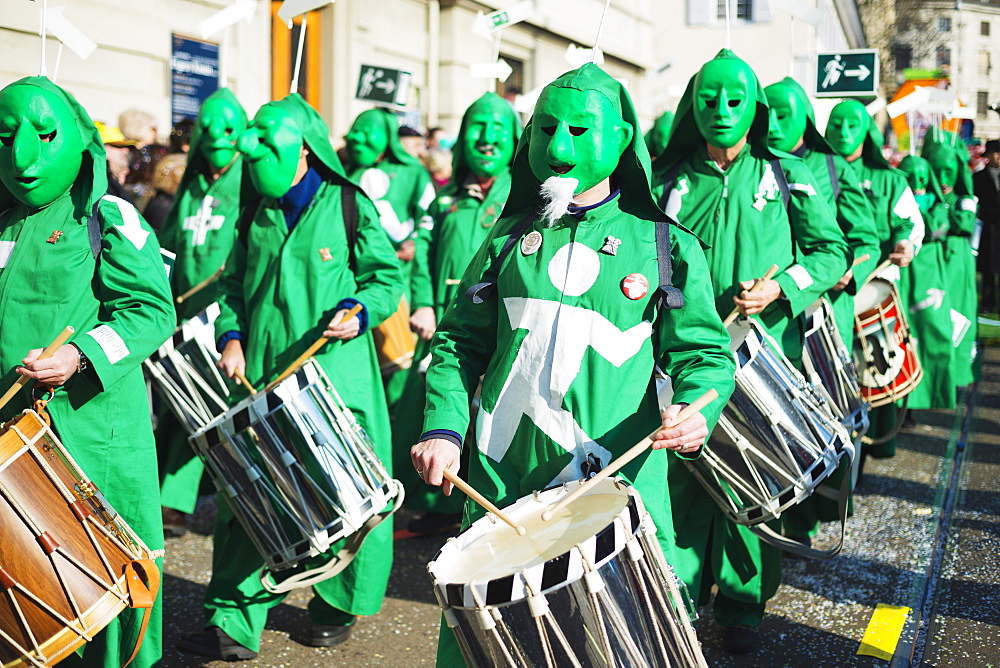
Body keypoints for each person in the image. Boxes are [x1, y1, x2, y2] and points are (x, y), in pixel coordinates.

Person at [412, 62, 737, 665]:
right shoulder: (505, 236)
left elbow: (703, 355)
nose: (559, 148)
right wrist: (442, 429)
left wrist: (699, 410)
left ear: (620, 140)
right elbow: (459, 342)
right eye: (546, 129)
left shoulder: (665, 245)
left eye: (580, 132)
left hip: (610, 488)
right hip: (501, 485)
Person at [177, 93, 401, 662]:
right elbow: (233, 290)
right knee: (247, 495)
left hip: (336, 379)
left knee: (350, 496)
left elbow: (385, 276)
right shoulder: (255, 209)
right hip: (260, 380)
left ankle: (337, 603)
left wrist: (360, 309)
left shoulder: (348, 204)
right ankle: (233, 618)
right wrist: (232, 338)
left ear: (304, 148)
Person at [652, 50, 850, 654]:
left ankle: (743, 604)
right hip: (682, 357)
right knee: (680, 476)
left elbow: (830, 253)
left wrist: (782, 286)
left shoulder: (789, 174)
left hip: (762, 358)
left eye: (735, 100)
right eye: (708, 99)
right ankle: (680, 594)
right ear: (691, 104)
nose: (720, 111)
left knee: (753, 477)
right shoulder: (665, 178)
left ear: (756, 109)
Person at [0, 76, 175, 668]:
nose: (21, 158)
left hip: (92, 434)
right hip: (14, 435)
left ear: (77, 138)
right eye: (4, 138)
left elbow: (152, 311)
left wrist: (78, 358)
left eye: (45, 136)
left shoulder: (108, 215)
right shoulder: (1, 218)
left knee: (116, 575)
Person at [394, 92, 520, 536]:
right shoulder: (445, 197)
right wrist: (425, 302)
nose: (488, 139)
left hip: (502, 325)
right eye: (478, 128)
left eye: (499, 128)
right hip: (447, 322)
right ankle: (438, 507)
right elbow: (424, 250)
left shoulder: (524, 194)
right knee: (436, 407)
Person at [763, 76, 881, 546]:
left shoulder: (831, 168)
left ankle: (813, 515)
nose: (773, 124)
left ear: (805, 120)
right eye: (767, 113)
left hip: (823, 317)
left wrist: (851, 268)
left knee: (820, 419)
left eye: (785, 115)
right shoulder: (759, 167)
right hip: (770, 321)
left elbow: (864, 238)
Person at [155, 88, 248, 538]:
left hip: (229, 314)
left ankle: (247, 500)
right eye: (207, 127)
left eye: (226, 128)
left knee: (224, 410)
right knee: (181, 407)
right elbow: (170, 246)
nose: (216, 137)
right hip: (186, 312)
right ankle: (171, 501)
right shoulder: (191, 183)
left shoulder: (251, 179)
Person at [825, 99, 923, 460]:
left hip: (872, 288)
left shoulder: (889, 179)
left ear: (867, 131)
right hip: (822, 291)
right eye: (836, 125)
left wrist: (905, 244)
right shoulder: (812, 171)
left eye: (852, 125)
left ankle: (872, 446)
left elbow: (908, 223)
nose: (843, 133)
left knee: (873, 371)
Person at [896, 154, 956, 409]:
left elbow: (936, 229)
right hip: (902, 274)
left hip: (930, 275)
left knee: (933, 332)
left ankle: (930, 393)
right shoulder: (895, 198)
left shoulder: (938, 205)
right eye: (911, 176)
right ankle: (903, 402)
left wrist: (915, 208)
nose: (918, 181)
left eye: (922, 175)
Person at [922, 130, 978, 388]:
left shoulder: (964, 199)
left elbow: (964, 224)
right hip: (929, 265)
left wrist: (940, 212)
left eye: (949, 171)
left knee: (957, 318)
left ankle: (953, 375)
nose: (943, 180)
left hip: (956, 266)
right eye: (937, 171)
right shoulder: (926, 197)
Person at [974, 139, 1000, 313]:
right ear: (988, 157)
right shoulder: (978, 178)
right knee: (989, 270)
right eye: (996, 153)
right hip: (989, 229)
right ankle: (988, 304)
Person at [95, 120, 137, 203]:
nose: (126, 150)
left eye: (128, 146)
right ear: (102, 149)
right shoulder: (97, 184)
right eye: (118, 146)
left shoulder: (111, 182)